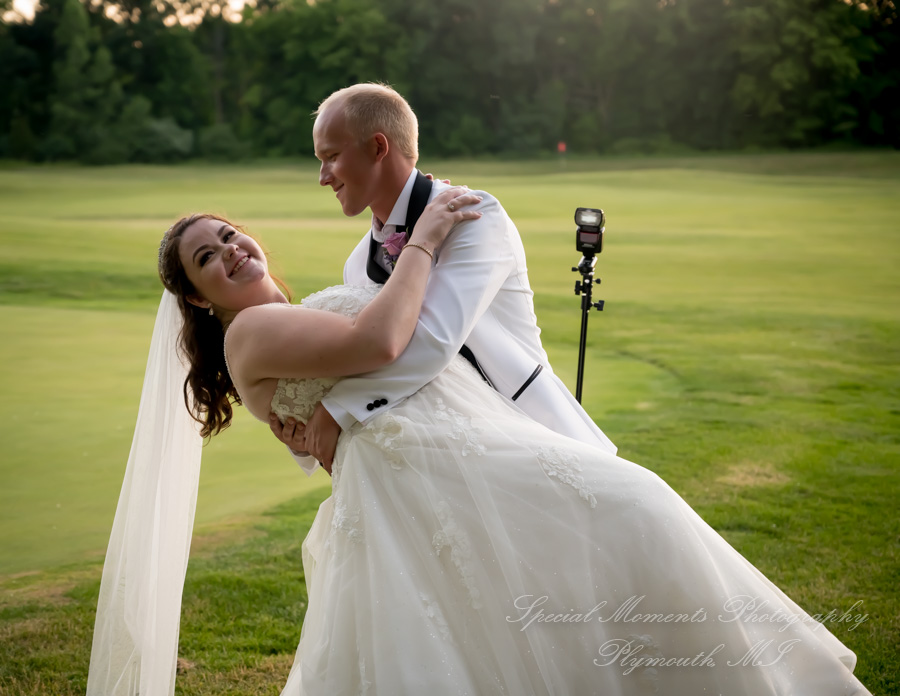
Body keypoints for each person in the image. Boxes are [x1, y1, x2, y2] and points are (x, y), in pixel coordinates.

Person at [87, 202, 871, 695]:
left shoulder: (279, 318)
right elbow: (383, 336)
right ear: (196, 295)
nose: (230, 250)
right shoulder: (251, 332)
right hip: (425, 480)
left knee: (541, 599)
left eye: (229, 233)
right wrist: (425, 240)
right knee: (628, 517)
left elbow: (326, 425)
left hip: (443, 466)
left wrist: (335, 411)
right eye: (207, 258)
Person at [268, 83, 617, 473]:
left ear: (378, 148)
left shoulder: (475, 215)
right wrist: (302, 430)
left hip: (532, 432)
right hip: (440, 458)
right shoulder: (357, 263)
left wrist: (338, 411)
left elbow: (435, 338)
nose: (323, 177)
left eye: (331, 157)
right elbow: (369, 362)